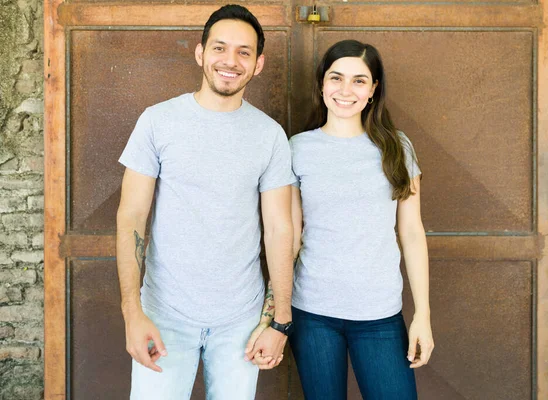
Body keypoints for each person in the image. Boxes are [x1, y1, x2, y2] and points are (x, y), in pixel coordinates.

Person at [116, 5, 295, 400]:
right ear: (200, 53)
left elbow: (281, 228)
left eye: (244, 52)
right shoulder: (157, 121)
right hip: (162, 316)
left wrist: (279, 320)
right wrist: (133, 313)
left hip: (241, 322)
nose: (230, 61)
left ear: (258, 64)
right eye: (220, 48)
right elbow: (131, 215)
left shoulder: (269, 135)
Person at [288, 40, 434, 399]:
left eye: (359, 80)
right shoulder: (297, 148)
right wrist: (272, 316)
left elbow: (412, 233)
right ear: (322, 84)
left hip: (380, 315)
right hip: (313, 313)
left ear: (373, 90)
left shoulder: (396, 147)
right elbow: (288, 235)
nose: (345, 90)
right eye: (336, 78)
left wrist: (423, 316)